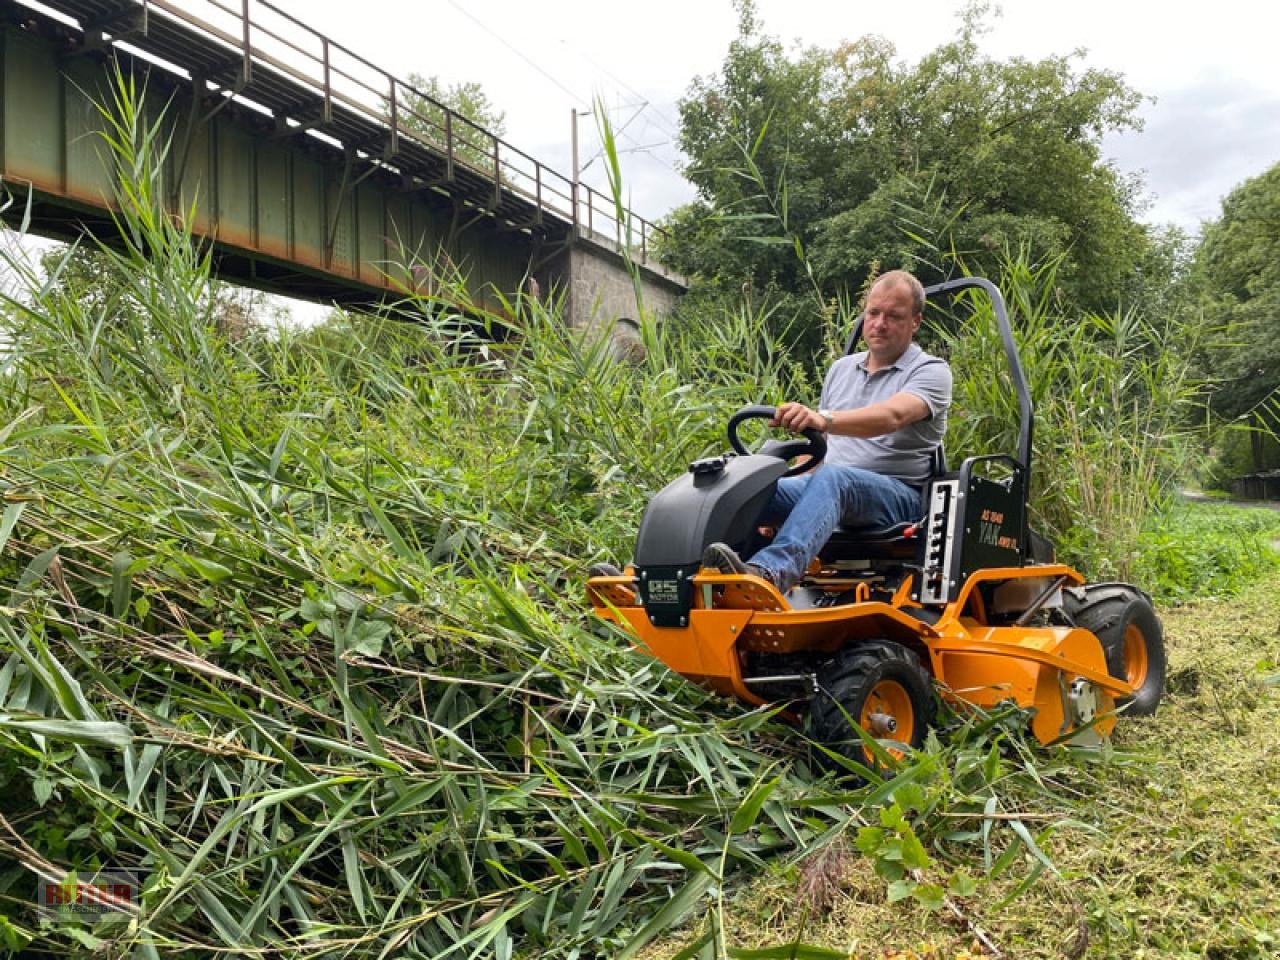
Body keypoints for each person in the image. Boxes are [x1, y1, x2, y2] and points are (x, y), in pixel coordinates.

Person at [703, 270, 952, 590]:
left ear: (915, 322)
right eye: (873, 313)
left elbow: (892, 415)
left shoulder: (931, 371)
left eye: (894, 316)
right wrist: (778, 483)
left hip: (897, 497)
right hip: (829, 486)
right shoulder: (842, 369)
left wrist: (824, 419)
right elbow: (821, 450)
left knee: (836, 478)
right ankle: (685, 576)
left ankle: (770, 574)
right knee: (747, 486)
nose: (879, 324)